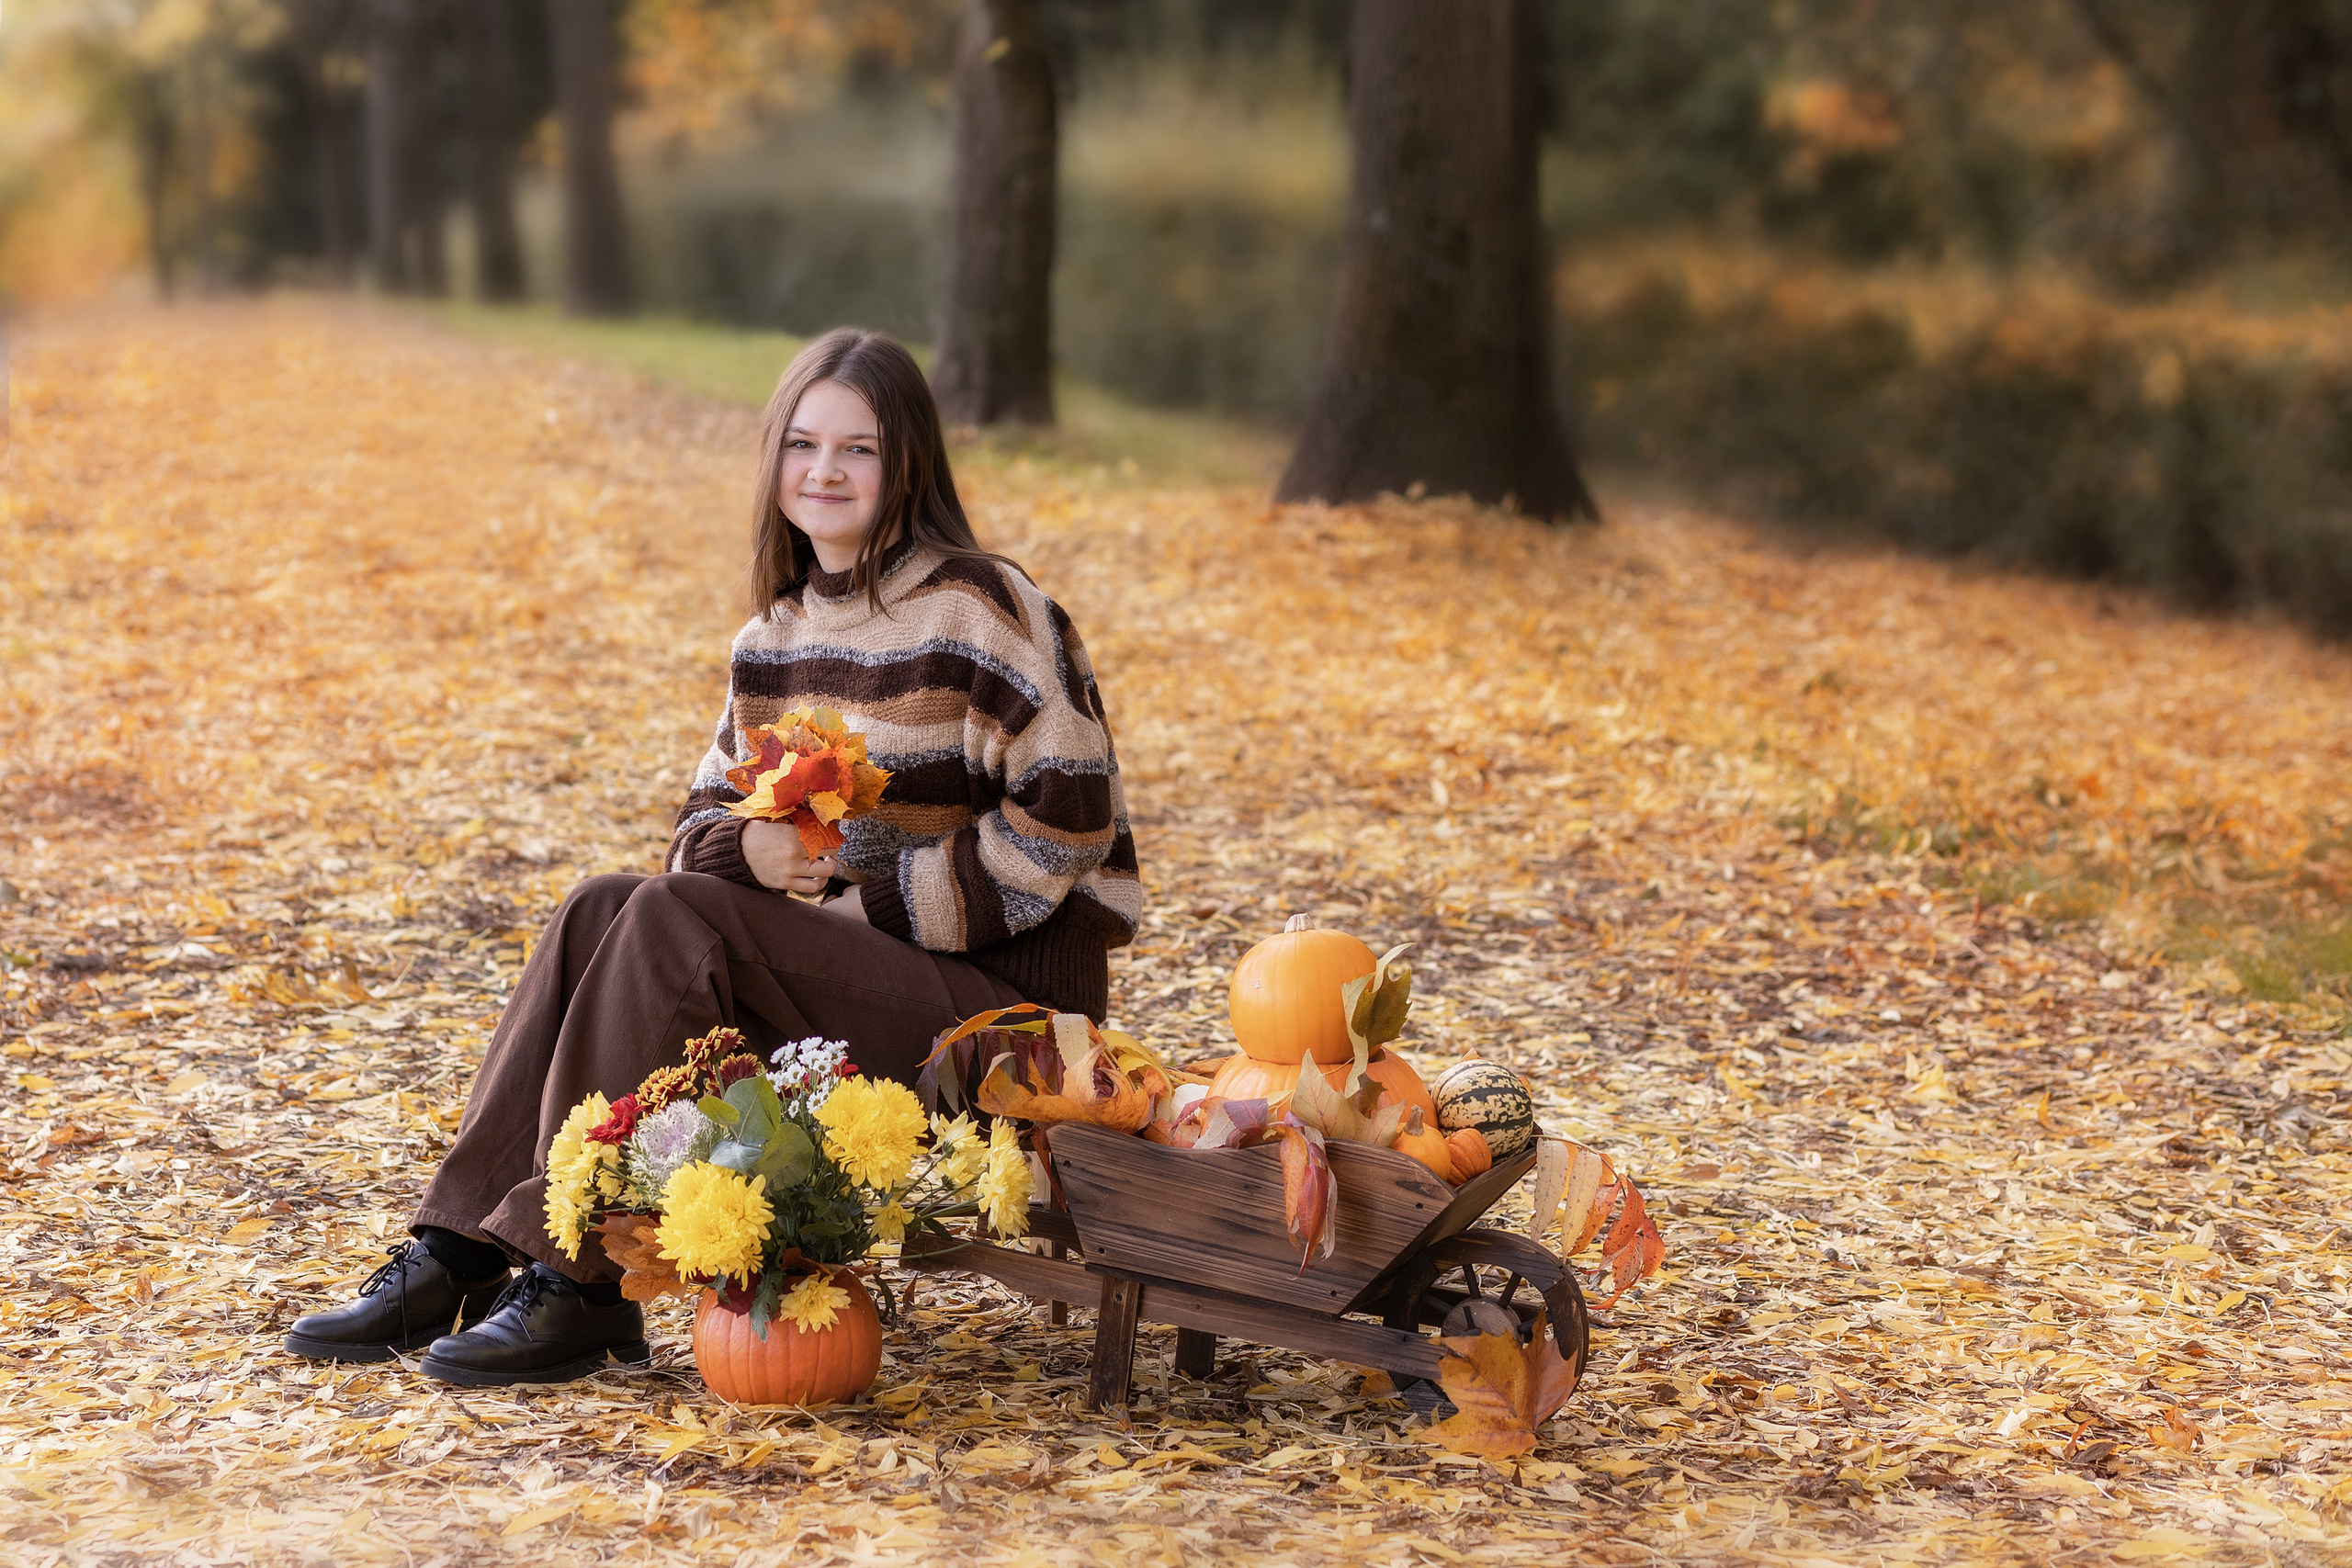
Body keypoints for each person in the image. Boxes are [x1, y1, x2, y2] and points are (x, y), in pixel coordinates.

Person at [284, 330, 1140, 1385]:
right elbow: (697, 822)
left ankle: (581, 1283)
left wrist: (863, 909)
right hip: (856, 990)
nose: (824, 472)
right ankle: (460, 1244)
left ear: (909, 464)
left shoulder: (982, 609)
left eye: (859, 450)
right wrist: (751, 844)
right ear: (773, 457)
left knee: (667, 917)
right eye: (803, 443)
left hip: (1000, 1024)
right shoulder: (773, 637)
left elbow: (1068, 821)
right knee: (608, 904)